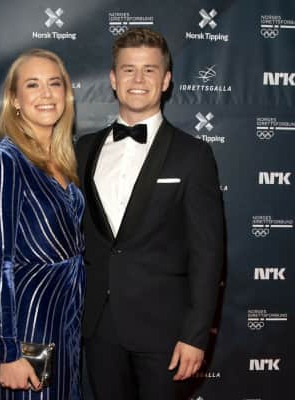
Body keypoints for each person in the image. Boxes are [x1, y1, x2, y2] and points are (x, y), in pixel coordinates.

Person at [75, 28, 224, 399]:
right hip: (98, 325)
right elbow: (58, 222)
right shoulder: (83, 149)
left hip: (165, 331)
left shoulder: (193, 155)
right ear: (113, 79)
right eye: (128, 70)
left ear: (166, 80)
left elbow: (208, 253)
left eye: (149, 70)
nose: (138, 79)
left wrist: (195, 336)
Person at [0, 48, 85, 400]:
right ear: (15, 99)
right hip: (29, 331)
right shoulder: (4, 161)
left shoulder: (62, 158)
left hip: (65, 325)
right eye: (33, 85)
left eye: (55, 83)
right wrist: (8, 352)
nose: (46, 94)